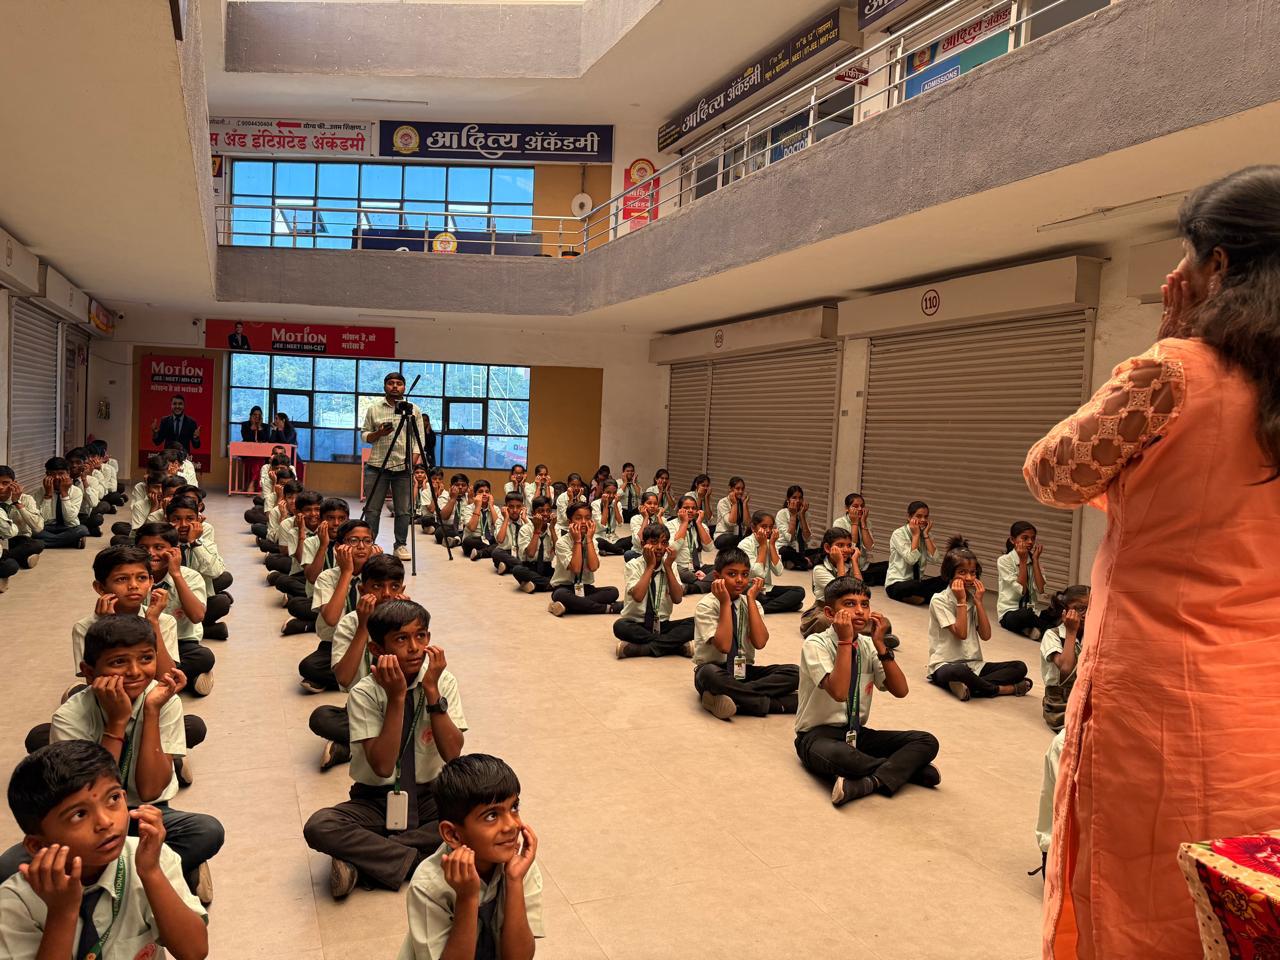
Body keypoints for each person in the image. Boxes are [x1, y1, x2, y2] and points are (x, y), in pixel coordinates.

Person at [1026, 169, 1280, 959]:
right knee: (1239, 909)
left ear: (1218, 266)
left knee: (1141, 901)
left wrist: (1165, 346)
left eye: (1187, 253)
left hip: (1160, 704)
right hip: (1264, 712)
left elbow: (1052, 474)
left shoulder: (1172, 373)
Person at [41, 616, 223, 901]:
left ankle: (115, 885)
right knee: (12, 866)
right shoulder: (69, 717)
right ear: (88, 671)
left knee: (206, 831)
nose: (135, 672)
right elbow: (88, 798)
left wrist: (151, 712)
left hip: (142, 813)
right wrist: (116, 723)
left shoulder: (161, 701)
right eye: (118, 662)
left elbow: (150, 791)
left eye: (146, 658)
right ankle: (164, 871)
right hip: (90, 822)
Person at [303, 599, 466, 900]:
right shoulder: (365, 692)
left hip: (430, 794)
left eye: (421, 636)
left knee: (475, 817)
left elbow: (453, 753)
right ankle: (419, 859)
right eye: (401, 639)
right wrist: (397, 698)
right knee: (320, 826)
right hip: (377, 798)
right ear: (377, 649)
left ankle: (364, 865)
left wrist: (432, 693)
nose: (415, 648)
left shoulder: (442, 681)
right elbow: (382, 766)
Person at [0, 741, 209, 959]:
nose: (105, 822)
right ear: (37, 845)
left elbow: (194, 951)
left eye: (113, 798)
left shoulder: (150, 857)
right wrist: (61, 913)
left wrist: (151, 873)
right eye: (79, 815)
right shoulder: (16, 902)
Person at [794, 577, 940, 806]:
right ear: (830, 614)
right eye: (850, 604)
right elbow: (839, 692)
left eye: (865, 604)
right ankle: (906, 770)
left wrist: (881, 645)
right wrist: (844, 641)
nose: (860, 611)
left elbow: (900, 690)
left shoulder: (868, 645)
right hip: (817, 737)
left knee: (926, 741)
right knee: (841, 756)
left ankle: (869, 781)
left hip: (855, 733)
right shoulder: (815, 644)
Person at [398, 754, 542, 960]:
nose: (512, 825)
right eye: (492, 815)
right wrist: (467, 898)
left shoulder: (518, 867)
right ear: (453, 835)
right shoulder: (428, 886)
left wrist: (514, 881)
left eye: (514, 807)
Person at [306, 555, 408, 770]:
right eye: (377, 586)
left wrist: (403, 627)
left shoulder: (412, 623)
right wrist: (363, 627)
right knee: (321, 717)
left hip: (402, 707)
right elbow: (344, 678)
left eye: (394, 587)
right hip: (364, 708)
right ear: (362, 590)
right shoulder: (350, 623)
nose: (387, 594)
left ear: (403, 589)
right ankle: (372, 743)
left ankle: (352, 747)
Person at [691, 547, 799, 721]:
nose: (740, 580)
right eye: (732, 574)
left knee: (795, 672)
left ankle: (733, 698)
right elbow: (724, 646)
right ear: (717, 577)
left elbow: (760, 642)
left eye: (745, 574)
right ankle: (772, 704)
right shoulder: (706, 606)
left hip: (743, 671)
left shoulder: (752, 604)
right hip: (716, 670)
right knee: (709, 674)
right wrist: (725, 603)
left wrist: (751, 599)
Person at [926, 536, 1031, 701]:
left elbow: (986, 635)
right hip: (945, 665)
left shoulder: (972, 599)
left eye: (973, 572)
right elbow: (961, 633)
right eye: (962, 572)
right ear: (950, 574)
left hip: (975, 665)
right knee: (959, 671)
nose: (969, 578)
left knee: (1019, 667)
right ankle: (999, 689)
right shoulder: (939, 600)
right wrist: (961, 601)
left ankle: (967, 686)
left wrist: (979, 603)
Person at [135, 522, 216, 697]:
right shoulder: (133, 579)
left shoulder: (190, 576)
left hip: (181, 643)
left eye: (158, 547)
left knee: (203, 657)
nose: (150, 553)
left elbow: (197, 616)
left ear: (175, 551)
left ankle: (146, 683)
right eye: (143, 548)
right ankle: (186, 681)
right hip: (141, 642)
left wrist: (176, 574)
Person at [360, 371, 425, 563]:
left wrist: (412, 462)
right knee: (372, 509)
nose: (395, 386)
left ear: (404, 387)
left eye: (399, 383)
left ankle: (400, 545)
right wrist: (378, 433)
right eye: (391, 383)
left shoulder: (414, 410)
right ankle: (370, 545)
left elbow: (419, 439)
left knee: (403, 510)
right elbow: (364, 435)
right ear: (384, 386)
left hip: (403, 468)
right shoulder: (374, 409)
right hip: (377, 466)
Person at [613, 523, 694, 659]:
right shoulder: (633, 565)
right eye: (654, 542)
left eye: (664, 543)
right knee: (620, 626)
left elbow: (677, 598)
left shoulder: (671, 565)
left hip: (662, 623)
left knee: (696, 623)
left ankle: (644, 648)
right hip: (637, 623)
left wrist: (668, 567)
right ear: (643, 544)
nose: (660, 547)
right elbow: (638, 596)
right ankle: (675, 646)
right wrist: (650, 566)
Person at [547, 502, 621, 617]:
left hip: (584, 587)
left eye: (587, 518)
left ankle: (567, 607)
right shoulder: (562, 542)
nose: (583, 522)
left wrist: (589, 540)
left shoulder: (592, 541)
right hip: (565, 587)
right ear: (570, 522)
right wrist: (577, 541)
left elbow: (593, 567)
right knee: (561, 595)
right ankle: (608, 608)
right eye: (578, 518)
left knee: (613, 592)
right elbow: (576, 568)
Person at [1040, 586, 1089, 732]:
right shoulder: (1052, 635)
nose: (1086, 614)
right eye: (1080, 609)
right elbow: (1066, 669)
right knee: (1084, 729)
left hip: (1083, 697)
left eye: (1090, 608)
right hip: (1059, 703)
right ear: (1064, 611)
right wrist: (1071, 632)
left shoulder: (1089, 635)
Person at [997, 521, 1057, 640]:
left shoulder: (1034, 560)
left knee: (1058, 611)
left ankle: (1030, 629)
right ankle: (1050, 631)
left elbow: (1040, 589)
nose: (1030, 542)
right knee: (1025, 615)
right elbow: (1022, 591)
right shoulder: (1004, 560)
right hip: (1011, 612)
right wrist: (1023, 561)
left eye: (1033, 538)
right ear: (1013, 540)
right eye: (1025, 538)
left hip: (1033, 611)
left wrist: (1035, 561)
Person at [737, 511, 805, 614]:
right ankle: (782, 605)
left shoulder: (771, 543)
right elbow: (758, 573)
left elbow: (779, 571)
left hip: (766, 588)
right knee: (794, 603)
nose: (768, 530)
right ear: (753, 528)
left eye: (771, 527)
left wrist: (772, 545)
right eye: (764, 527)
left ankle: (764, 607)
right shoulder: (744, 544)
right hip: (749, 587)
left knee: (799, 591)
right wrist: (763, 546)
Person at [884, 500, 944, 605]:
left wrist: (926, 535)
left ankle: (919, 597)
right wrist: (916, 535)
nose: (923, 520)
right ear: (909, 517)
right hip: (898, 583)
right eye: (919, 516)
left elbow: (935, 559)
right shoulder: (898, 534)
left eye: (926, 517)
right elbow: (911, 560)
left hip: (918, 583)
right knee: (914, 586)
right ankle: (928, 597)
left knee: (945, 580)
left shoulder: (926, 535)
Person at [34, 457, 88, 549]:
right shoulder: (40, 492)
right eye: (53, 474)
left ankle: (44, 543)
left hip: (68, 527)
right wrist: (48, 495)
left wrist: (64, 493)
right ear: (47, 475)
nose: (57, 477)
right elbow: (43, 519)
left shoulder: (76, 491)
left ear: (68, 473)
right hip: (47, 527)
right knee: (32, 531)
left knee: (82, 530)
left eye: (61, 473)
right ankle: (70, 542)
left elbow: (70, 518)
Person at [0, 466, 44, 572]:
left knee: (38, 544)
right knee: (12, 565)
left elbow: (38, 528)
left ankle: (5, 556)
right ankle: (22, 559)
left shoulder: (26, 499)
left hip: (17, 539)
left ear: (14, 484)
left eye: (5, 483)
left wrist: (17, 503)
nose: (0, 487)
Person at [668, 494, 713, 594]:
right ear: (678, 510)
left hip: (698, 568)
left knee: (722, 568)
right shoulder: (670, 525)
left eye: (693, 508)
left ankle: (691, 587)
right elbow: (673, 548)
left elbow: (709, 548)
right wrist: (684, 523)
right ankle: (705, 582)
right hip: (681, 567)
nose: (690, 510)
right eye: (686, 508)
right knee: (678, 572)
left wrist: (699, 524)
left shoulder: (700, 525)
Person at [511, 497, 556, 594]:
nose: (545, 514)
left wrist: (552, 529)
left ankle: (534, 584)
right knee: (517, 570)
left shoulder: (553, 528)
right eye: (541, 511)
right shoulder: (525, 529)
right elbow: (531, 554)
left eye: (548, 511)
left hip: (547, 567)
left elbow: (559, 552)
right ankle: (550, 584)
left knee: (565, 573)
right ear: (533, 513)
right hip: (530, 567)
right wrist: (537, 531)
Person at [776, 485, 819, 570]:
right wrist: (793, 515)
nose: (798, 501)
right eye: (794, 498)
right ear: (788, 499)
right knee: (785, 551)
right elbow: (789, 538)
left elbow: (807, 538)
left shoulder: (806, 514)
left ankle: (796, 562)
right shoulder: (782, 513)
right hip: (785, 548)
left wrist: (802, 515)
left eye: (800, 498)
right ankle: (805, 562)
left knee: (821, 551)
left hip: (800, 550)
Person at [490, 492, 531, 576]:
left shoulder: (525, 520)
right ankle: (524, 567)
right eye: (511, 507)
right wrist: (506, 519)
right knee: (496, 553)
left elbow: (534, 539)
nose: (515, 510)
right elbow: (500, 540)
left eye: (518, 507)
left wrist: (525, 519)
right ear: (505, 507)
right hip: (507, 552)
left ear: (522, 507)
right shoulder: (500, 520)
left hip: (521, 552)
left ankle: (508, 567)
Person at [461, 480, 501, 562]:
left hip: (490, 538)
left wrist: (491, 506)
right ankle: (492, 550)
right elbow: (472, 527)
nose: (484, 494)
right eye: (480, 492)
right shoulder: (468, 508)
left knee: (502, 541)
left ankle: (480, 553)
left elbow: (498, 526)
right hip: (475, 539)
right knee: (467, 542)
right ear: (475, 495)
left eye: (487, 492)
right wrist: (478, 506)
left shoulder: (495, 508)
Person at [591, 479, 630, 555]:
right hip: (599, 536)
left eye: (614, 493)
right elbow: (602, 525)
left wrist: (615, 505)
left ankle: (610, 549)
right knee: (599, 542)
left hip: (613, 538)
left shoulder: (617, 504)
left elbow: (620, 524)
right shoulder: (595, 504)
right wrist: (605, 506)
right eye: (608, 492)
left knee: (632, 539)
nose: (611, 496)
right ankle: (618, 550)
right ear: (603, 491)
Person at [713, 477, 750, 551]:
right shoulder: (723, 502)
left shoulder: (741, 502)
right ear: (730, 489)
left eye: (742, 489)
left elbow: (748, 523)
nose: (740, 491)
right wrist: (734, 504)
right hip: (723, 536)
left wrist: (744, 504)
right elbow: (731, 523)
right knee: (733, 539)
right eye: (738, 489)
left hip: (737, 535)